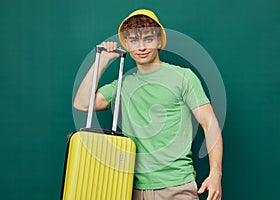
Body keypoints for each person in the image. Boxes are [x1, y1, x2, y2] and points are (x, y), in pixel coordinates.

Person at [73, 9, 223, 200]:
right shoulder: (123, 84)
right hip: (130, 189)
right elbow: (82, 103)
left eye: (148, 39)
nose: (141, 47)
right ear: (127, 45)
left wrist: (215, 174)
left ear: (159, 41)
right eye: (134, 40)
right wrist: (102, 61)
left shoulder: (183, 77)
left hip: (176, 186)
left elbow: (210, 123)